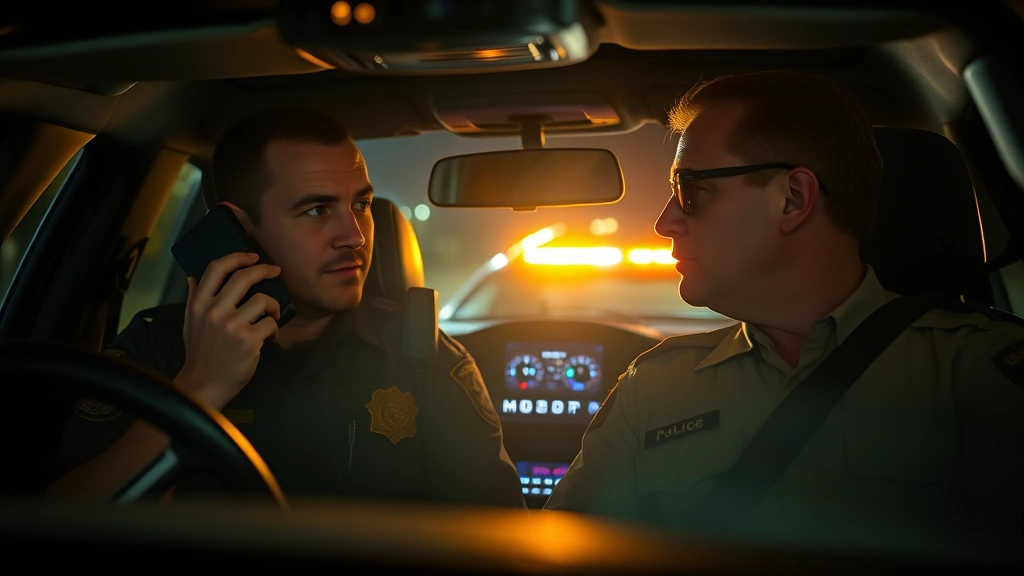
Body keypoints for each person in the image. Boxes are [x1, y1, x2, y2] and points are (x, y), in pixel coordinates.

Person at [545, 71, 1024, 560]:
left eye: (691, 190)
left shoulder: (975, 371)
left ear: (793, 198)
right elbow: (561, 556)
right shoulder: (653, 386)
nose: (664, 222)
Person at [47, 106, 526, 508]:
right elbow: (60, 531)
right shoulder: (153, 351)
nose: (355, 236)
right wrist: (199, 386)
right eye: (317, 210)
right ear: (239, 228)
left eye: (361, 205)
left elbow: (498, 540)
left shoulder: (427, 358)